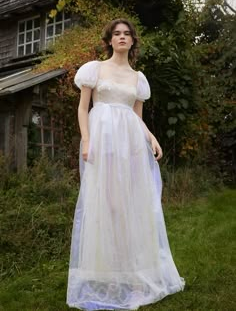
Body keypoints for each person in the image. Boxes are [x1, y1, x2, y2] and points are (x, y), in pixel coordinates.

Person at [67, 19, 185, 310]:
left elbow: (136, 117)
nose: (122, 37)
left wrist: (152, 138)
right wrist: (86, 140)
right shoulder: (94, 69)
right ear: (110, 40)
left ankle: (133, 276)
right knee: (106, 207)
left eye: (127, 34)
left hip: (130, 145)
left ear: (133, 41)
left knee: (130, 208)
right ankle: (109, 273)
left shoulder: (138, 79)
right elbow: (84, 108)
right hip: (102, 144)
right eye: (117, 34)